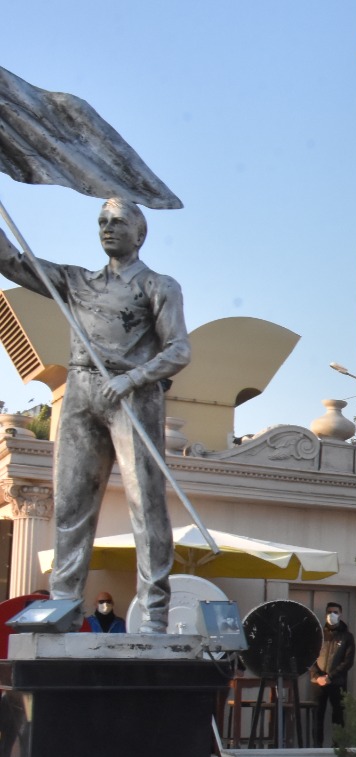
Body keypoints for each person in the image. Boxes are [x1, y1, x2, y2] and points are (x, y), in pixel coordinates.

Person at [0, 199, 189, 631]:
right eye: (102, 221)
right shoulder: (76, 281)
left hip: (131, 394)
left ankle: (155, 612)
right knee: (70, 502)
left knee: (146, 504)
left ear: (139, 234)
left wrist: (136, 377)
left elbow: (179, 349)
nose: (107, 227)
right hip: (82, 392)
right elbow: (11, 261)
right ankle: (65, 603)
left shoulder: (159, 286)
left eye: (118, 221)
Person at [309, 602, 355, 746]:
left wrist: (330, 676)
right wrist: (317, 677)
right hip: (318, 683)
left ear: (340, 614)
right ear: (325, 614)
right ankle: (316, 755)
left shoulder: (347, 637)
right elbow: (311, 657)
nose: (331, 615)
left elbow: (348, 661)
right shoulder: (318, 635)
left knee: (338, 718)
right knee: (317, 717)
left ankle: (337, 754)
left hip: (337, 683)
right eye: (329, 612)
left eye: (335, 612)